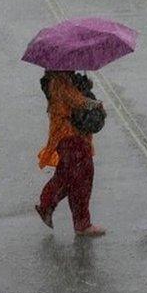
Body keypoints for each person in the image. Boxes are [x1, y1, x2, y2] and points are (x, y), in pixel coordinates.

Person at [35, 70, 106, 237]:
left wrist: (84, 84)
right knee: (80, 178)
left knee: (70, 177)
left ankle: (50, 207)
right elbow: (77, 101)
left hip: (70, 137)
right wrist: (95, 104)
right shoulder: (59, 82)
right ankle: (79, 222)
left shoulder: (62, 79)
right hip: (70, 136)